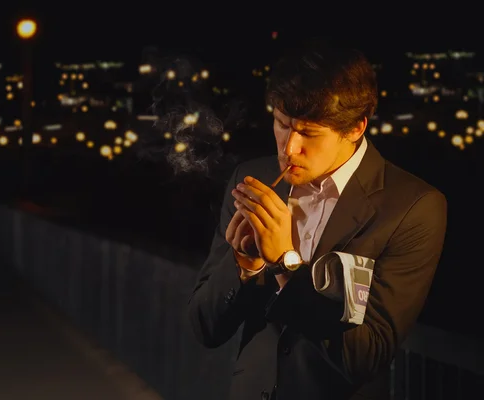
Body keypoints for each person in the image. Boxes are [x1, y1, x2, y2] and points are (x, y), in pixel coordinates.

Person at [186, 39, 448, 400]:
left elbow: (366, 356)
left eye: (309, 133)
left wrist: (285, 263)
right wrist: (244, 265)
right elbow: (205, 328)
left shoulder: (411, 207)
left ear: (355, 128)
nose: (289, 148)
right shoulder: (254, 179)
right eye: (281, 124)